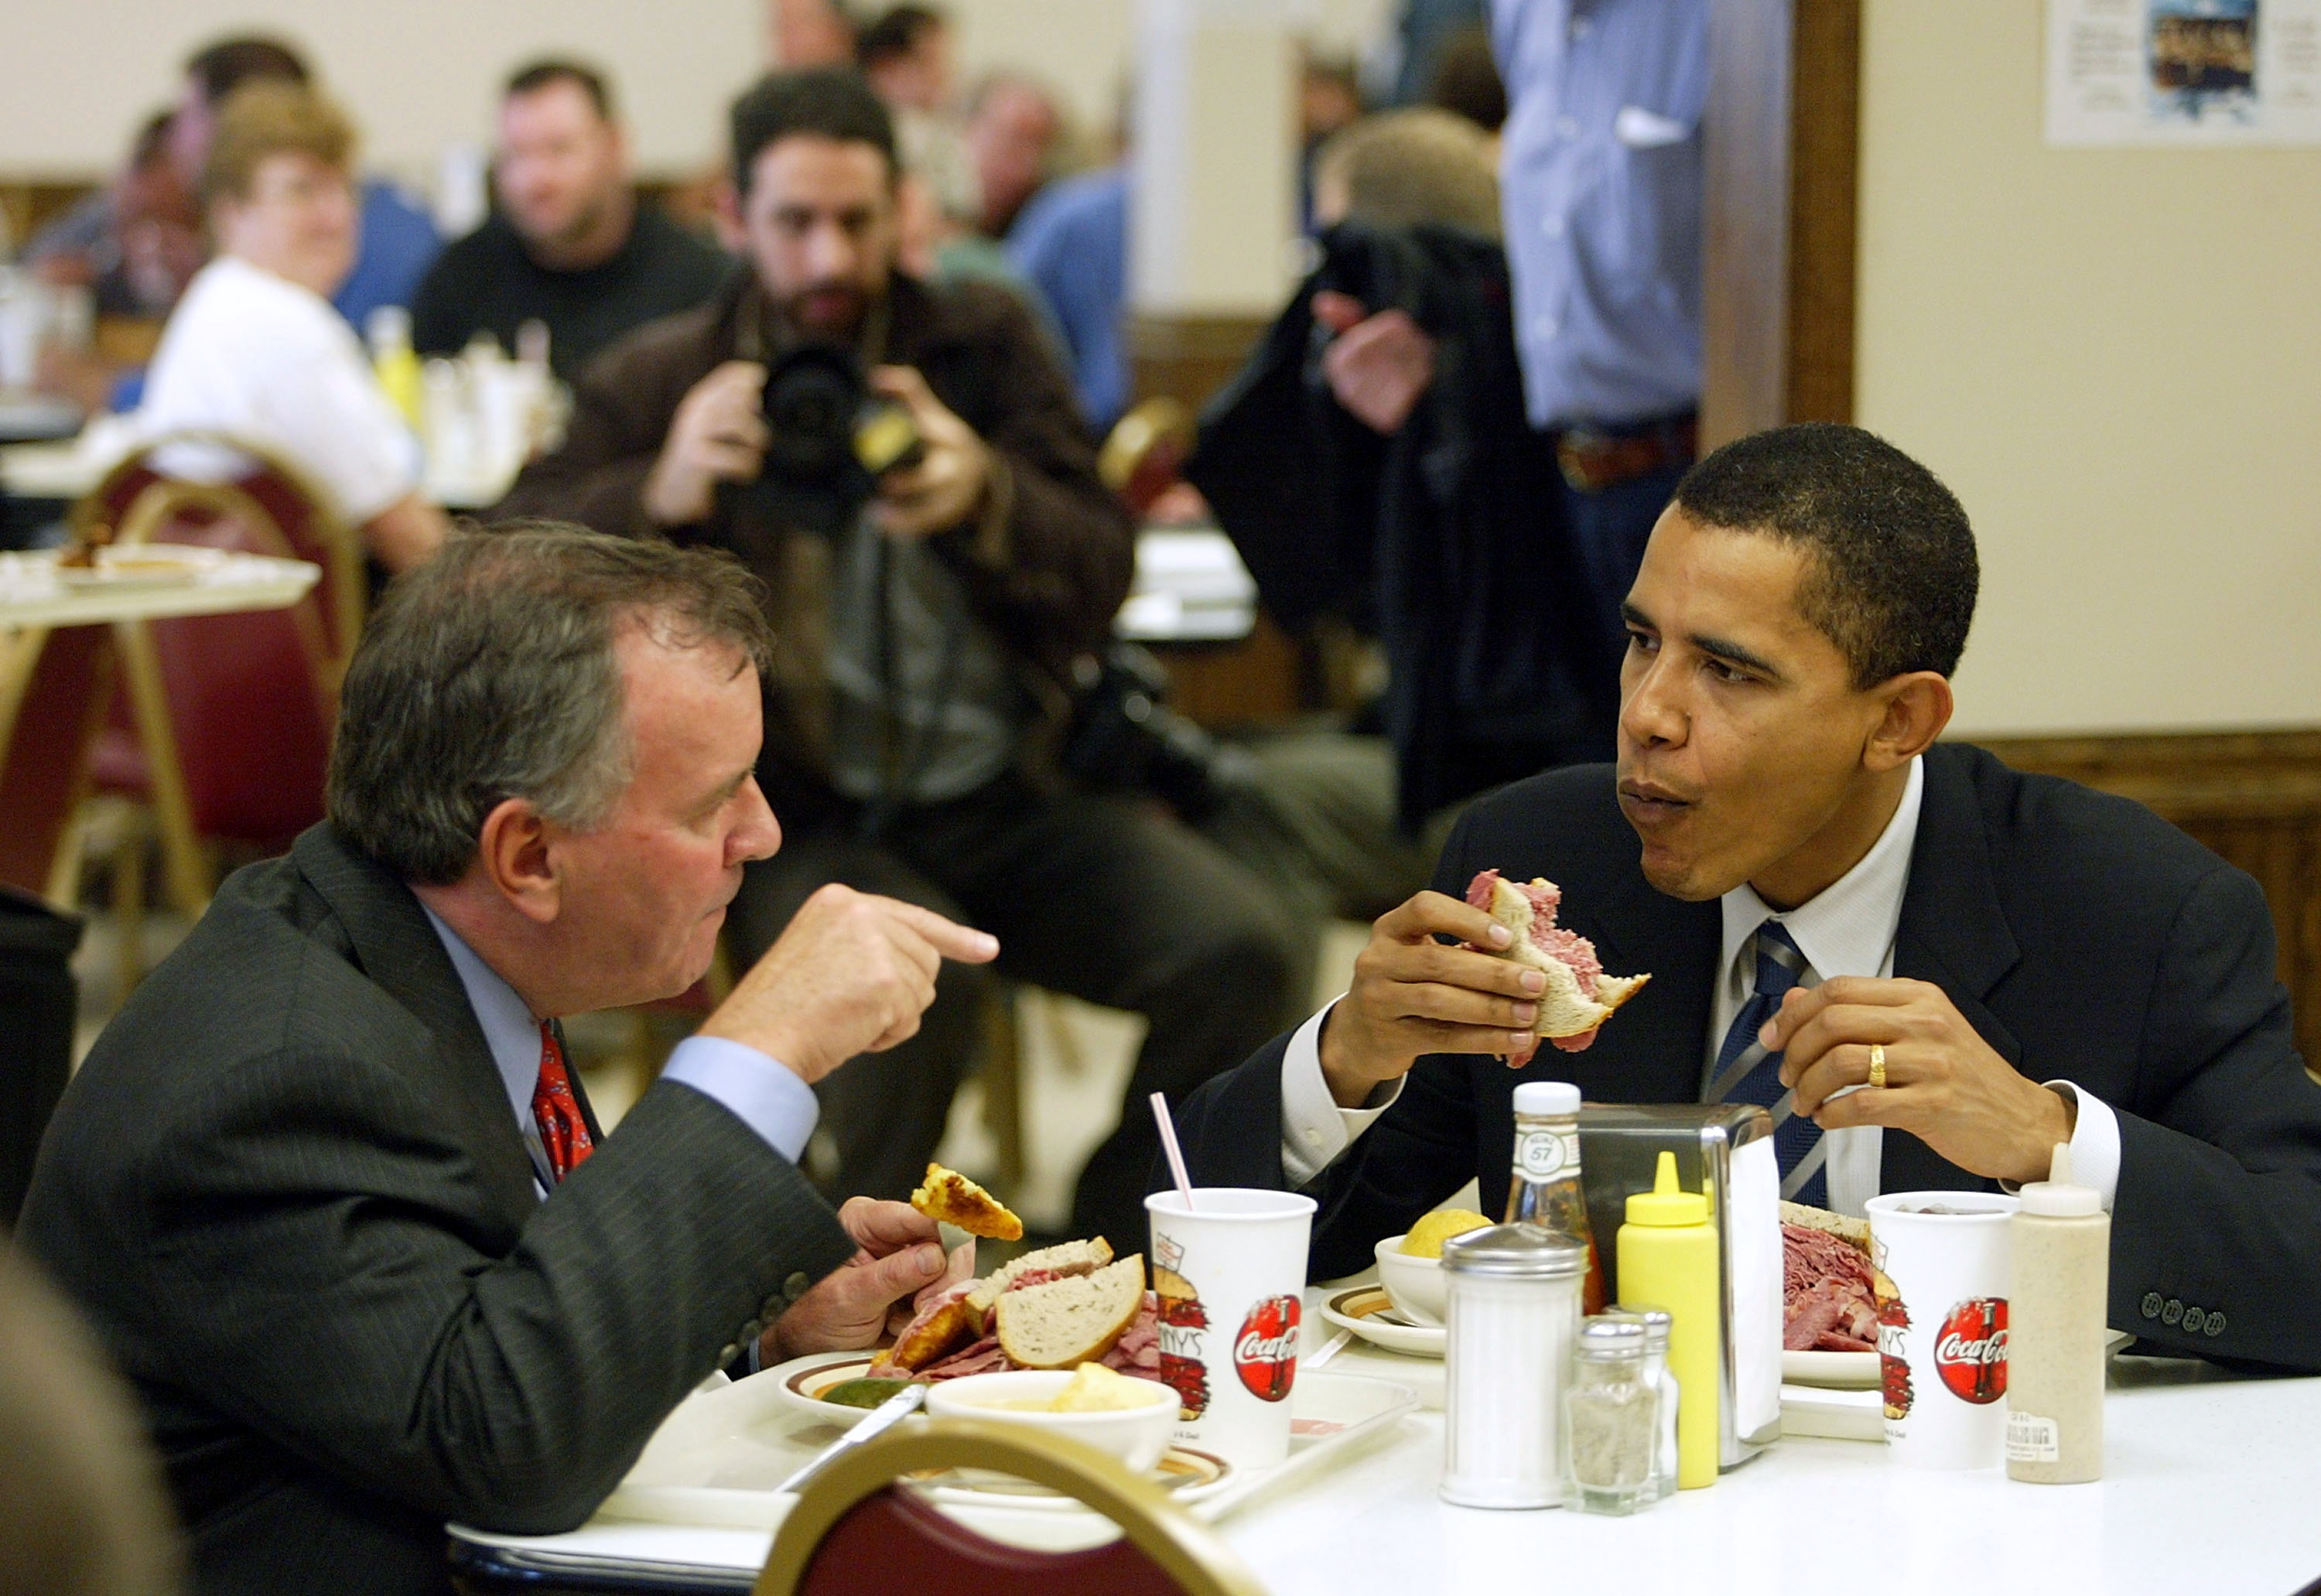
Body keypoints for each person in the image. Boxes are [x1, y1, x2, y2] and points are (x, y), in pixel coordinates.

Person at [1171, 422, 2321, 1374]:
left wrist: (2041, 1137)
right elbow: (1267, 1252)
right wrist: (1343, 1061)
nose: (1650, 713)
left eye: (1729, 671)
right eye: (1640, 641)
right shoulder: (1538, 855)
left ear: (1899, 721)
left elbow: (2307, 1266)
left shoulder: (2134, 910)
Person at [19, 526, 999, 1591]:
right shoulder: (282, 1073)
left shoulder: (443, 949)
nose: (758, 833)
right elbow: (504, 1442)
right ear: (528, 855)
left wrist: (754, 1330)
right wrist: (754, 1050)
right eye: (715, 798)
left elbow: (482, 1317)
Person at [496, 69, 1301, 1252]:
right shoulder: (663, 374)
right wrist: (656, 489)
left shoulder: (978, 343)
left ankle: (1107, 1249)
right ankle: (837, 1289)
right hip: (798, 814)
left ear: (902, 211)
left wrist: (988, 492)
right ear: (734, 217)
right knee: (909, 988)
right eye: (795, 223)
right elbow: (502, 577)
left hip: (1008, 792)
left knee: (1244, 947)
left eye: (858, 222)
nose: (829, 257)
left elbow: (1102, 565)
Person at [1318, 0, 1707, 692]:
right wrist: (1448, 356)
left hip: (1697, 474)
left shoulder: (1717, 17)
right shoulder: (1523, 14)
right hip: (1558, 477)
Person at [132, 83, 446, 572]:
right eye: (302, 191)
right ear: (231, 214)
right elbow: (408, 537)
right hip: (279, 638)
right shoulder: (278, 320)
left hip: (211, 632)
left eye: (345, 189)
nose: (336, 216)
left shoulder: (218, 300)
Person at [410, 60, 732, 381]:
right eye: (516, 155)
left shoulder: (697, 284)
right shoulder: (462, 277)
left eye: (558, 150)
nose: (535, 179)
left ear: (615, 147)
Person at [962, 71, 1062, 239]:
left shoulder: (1040, 218)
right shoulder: (922, 207)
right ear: (967, 127)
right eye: (1013, 139)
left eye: (1038, 145)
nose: (1025, 162)